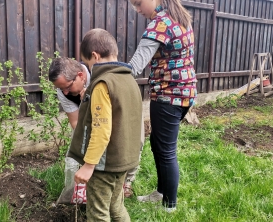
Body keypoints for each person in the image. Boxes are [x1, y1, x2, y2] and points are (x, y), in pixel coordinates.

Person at [128, 0, 197, 213]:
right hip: (183, 92)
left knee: (166, 151)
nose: (138, 10)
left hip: (169, 95)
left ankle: (170, 207)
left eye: (139, 4)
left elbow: (135, 66)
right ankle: (161, 193)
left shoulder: (160, 22)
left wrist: (107, 75)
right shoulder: (179, 17)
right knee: (158, 145)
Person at [67, 28, 143, 221]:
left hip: (104, 164)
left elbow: (101, 130)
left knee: (98, 213)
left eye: (88, 63)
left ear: (95, 56)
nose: (88, 67)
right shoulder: (128, 78)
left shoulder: (102, 83)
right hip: (124, 160)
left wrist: (88, 166)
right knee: (115, 206)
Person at [49, 57, 143, 198]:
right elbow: (76, 123)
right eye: (61, 89)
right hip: (94, 122)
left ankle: (126, 182)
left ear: (80, 76)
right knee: (75, 157)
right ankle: (76, 193)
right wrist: (86, 155)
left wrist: (91, 97)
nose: (65, 92)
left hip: (122, 112)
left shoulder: (99, 76)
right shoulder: (63, 92)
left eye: (67, 87)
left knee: (132, 143)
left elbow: (106, 123)